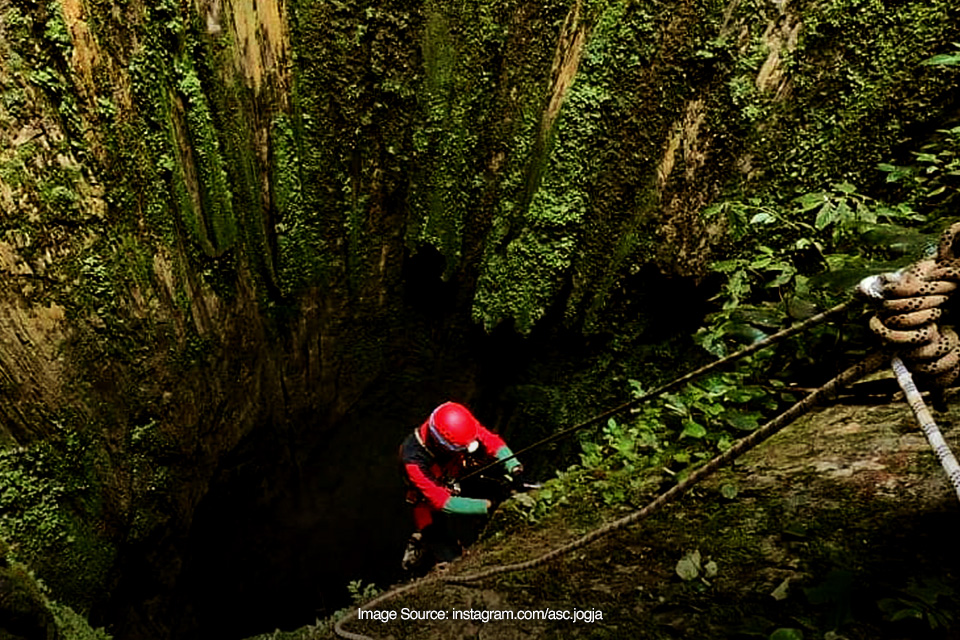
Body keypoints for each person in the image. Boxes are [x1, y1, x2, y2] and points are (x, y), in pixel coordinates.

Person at [399, 401, 524, 572]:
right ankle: (422, 544)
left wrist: (514, 466)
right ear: (442, 445)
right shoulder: (413, 460)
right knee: (448, 553)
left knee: (498, 486)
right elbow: (443, 502)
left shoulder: (456, 421)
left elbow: (488, 439)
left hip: (456, 477)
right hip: (428, 502)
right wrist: (488, 505)